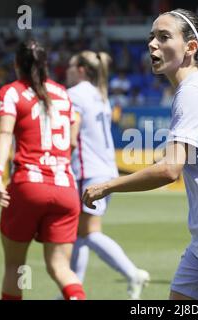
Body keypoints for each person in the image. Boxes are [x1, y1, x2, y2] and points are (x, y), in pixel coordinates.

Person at [83, 8, 198, 300]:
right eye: (151, 37)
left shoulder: (193, 92)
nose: (152, 44)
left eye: (163, 37)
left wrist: (108, 185)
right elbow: (177, 161)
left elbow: (170, 170)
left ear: (190, 48)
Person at [0, 40, 86, 300]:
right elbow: (71, 141)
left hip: (28, 185)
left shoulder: (12, 92)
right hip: (65, 188)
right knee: (60, 267)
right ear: (45, 65)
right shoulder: (62, 94)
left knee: (15, 265)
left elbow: (4, 133)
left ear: (16, 65)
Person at [65, 51, 150, 299]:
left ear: (80, 70)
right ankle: (73, 290)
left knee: (88, 232)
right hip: (104, 169)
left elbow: (72, 135)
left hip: (88, 170)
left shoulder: (75, 95)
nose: (66, 71)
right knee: (80, 233)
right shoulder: (100, 95)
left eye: (70, 66)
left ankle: (132, 273)